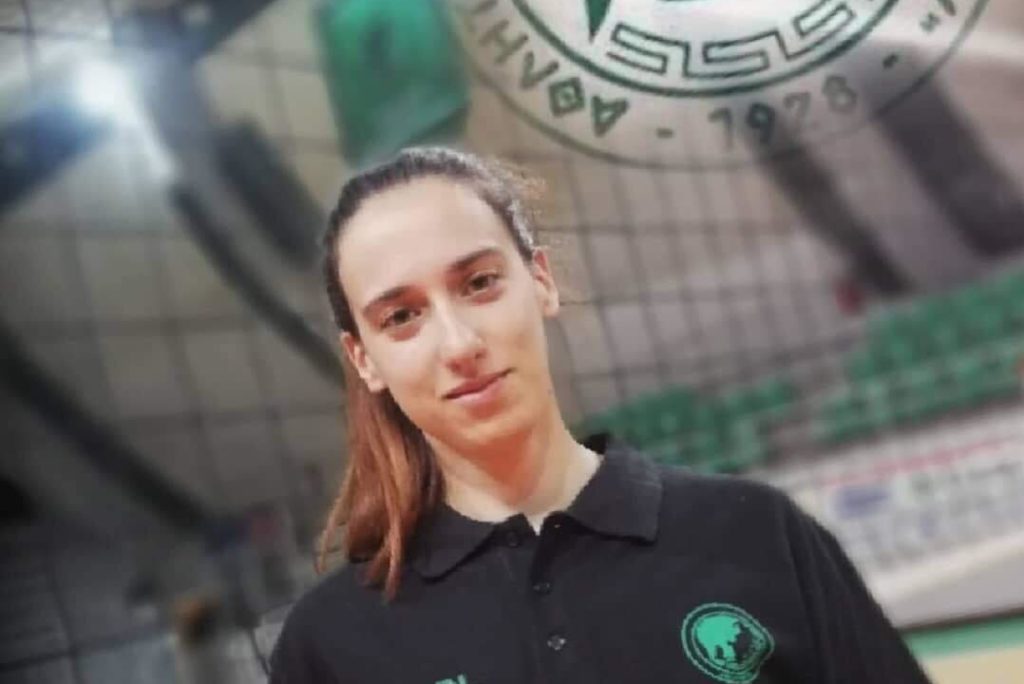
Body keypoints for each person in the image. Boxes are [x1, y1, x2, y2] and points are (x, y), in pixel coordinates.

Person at [269, 147, 932, 683]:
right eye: (401, 316)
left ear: (541, 281)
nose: (459, 344)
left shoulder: (757, 534)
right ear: (365, 360)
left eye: (479, 283)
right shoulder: (329, 646)